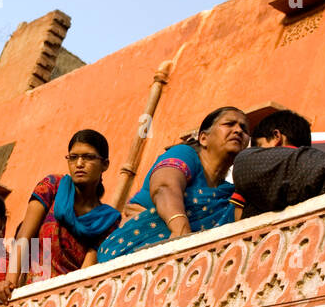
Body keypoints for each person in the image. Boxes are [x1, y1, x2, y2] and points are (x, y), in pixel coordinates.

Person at [97, 107, 248, 262]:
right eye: (229, 124)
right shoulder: (185, 154)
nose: (238, 131)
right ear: (203, 138)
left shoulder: (227, 193)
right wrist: (183, 236)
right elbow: (164, 187)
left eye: (244, 128)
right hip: (130, 249)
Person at [0, 130, 121, 303]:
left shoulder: (106, 219)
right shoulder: (52, 186)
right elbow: (24, 235)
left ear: (105, 164)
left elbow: (86, 271)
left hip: (66, 298)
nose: (79, 164)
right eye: (73, 157)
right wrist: (9, 282)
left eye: (88, 157)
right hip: (30, 291)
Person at [227, 110, 325, 219]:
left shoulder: (248, 168)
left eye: (259, 147)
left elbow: (239, 215)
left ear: (276, 137)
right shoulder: (317, 163)